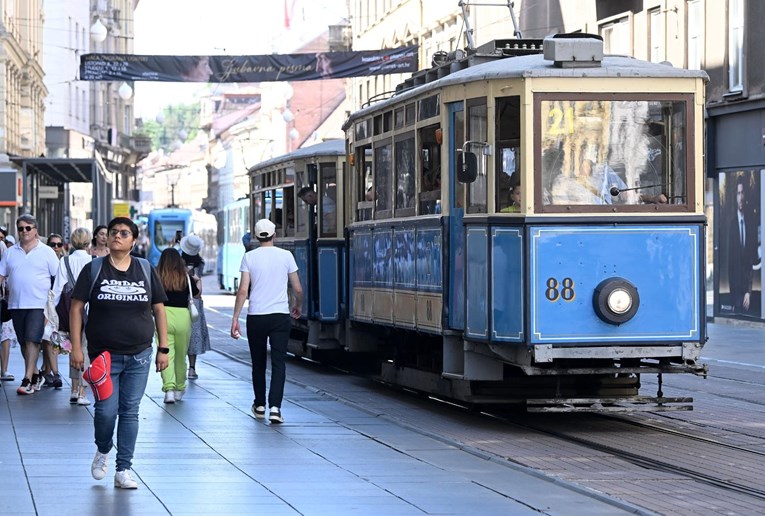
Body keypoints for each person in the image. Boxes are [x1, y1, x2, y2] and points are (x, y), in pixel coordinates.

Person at [68, 217, 169, 489]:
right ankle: (103, 449)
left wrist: (163, 348)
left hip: (139, 354)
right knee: (105, 411)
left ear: (134, 241)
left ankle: (123, 468)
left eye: (124, 233)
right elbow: (76, 308)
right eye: (113, 232)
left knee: (129, 411)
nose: (117, 236)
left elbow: (159, 309)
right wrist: (77, 347)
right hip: (104, 357)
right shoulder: (94, 269)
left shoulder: (146, 269)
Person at [231, 219, 303, 424]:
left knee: (258, 362)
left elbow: (243, 290)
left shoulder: (249, 257)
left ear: (256, 236)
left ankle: (260, 404)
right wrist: (298, 306)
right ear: (274, 235)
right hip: (280, 315)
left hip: (256, 316)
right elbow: (297, 288)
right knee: (279, 362)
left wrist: (235, 318)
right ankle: (275, 408)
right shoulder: (286, 256)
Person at [0, 214, 60, 395]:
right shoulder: (10, 252)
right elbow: (1, 276)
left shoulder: (47, 251)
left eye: (28, 228)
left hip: (38, 304)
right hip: (16, 304)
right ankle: (35, 374)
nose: (24, 231)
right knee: (24, 342)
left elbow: (58, 278)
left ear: (36, 231)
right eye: (21, 228)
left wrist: (53, 304)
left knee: (33, 339)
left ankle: (27, 379)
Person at [51, 227, 92, 405]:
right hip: (90, 310)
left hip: (70, 309)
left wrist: (53, 313)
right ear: (89, 242)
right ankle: (83, 391)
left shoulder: (65, 261)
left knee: (73, 349)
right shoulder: (94, 261)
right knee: (85, 349)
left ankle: (74, 389)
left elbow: (58, 289)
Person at [156, 248, 196, 403]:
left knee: (166, 353)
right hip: (183, 318)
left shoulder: (158, 276)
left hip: (162, 315)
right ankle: (180, 388)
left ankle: (169, 390)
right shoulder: (185, 277)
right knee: (181, 355)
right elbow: (196, 292)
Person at [180, 235, 210, 380]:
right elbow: (198, 293)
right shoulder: (200, 264)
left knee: (180, 336)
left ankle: (179, 366)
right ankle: (192, 368)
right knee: (194, 336)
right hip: (194, 304)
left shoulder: (178, 263)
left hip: (179, 301)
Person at [727, 176, 757, 314]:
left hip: (748, 292)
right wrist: (734, 300)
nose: (740, 197)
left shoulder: (751, 223)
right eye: (738, 194)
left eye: (742, 193)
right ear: (735, 196)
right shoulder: (732, 225)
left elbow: (751, 261)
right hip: (735, 294)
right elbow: (731, 265)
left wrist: (748, 292)